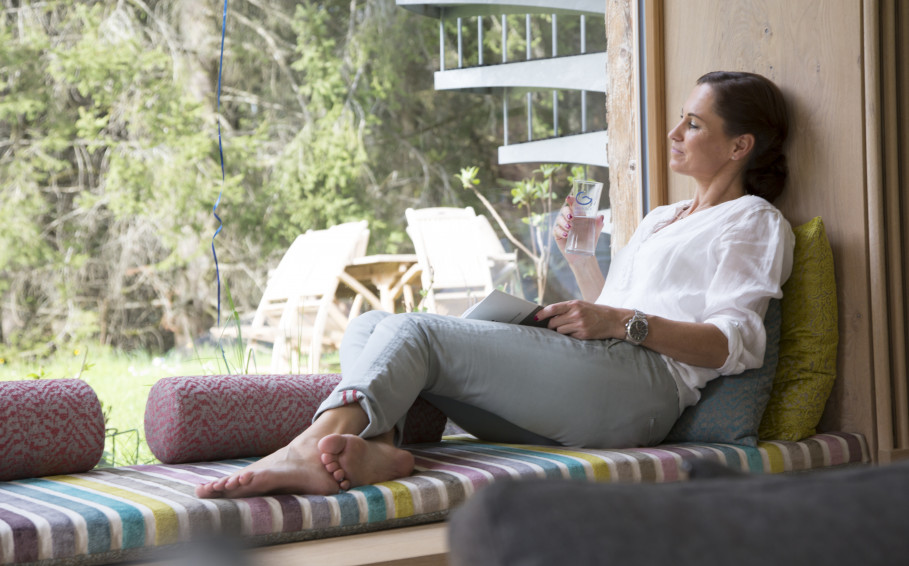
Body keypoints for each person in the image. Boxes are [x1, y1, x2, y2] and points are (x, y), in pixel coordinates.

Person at [196, 70, 794, 499]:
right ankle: (381, 449)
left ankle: (311, 446)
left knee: (414, 331)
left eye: (693, 124)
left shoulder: (755, 221)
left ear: (740, 146)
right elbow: (614, 309)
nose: (675, 133)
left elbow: (734, 343)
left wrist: (621, 325)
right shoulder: (666, 217)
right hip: (595, 373)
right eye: (680, 121)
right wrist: (581, 260)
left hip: (641, 392)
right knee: (372, 324)